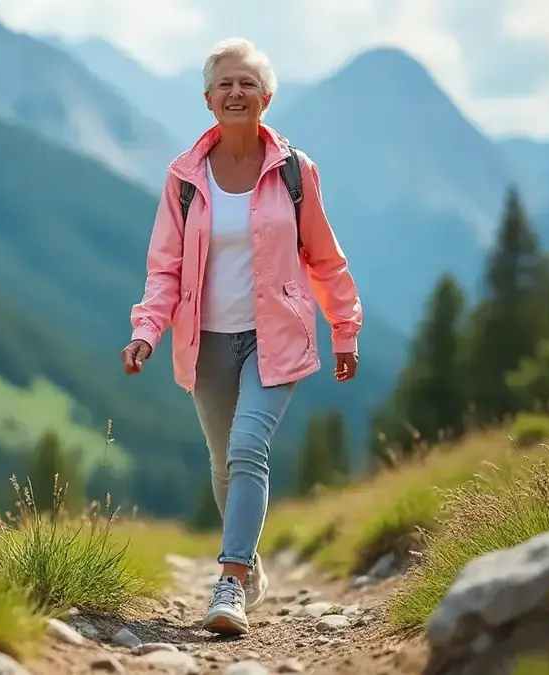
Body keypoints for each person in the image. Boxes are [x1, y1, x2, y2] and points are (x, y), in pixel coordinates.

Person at [120, 38, 363, 636]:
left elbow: (325, 261)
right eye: (225, 84)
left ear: (266, 97)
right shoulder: (184, 178)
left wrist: (345, 329)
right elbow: (165, 269)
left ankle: (228, 581)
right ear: (208, 99)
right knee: (223, 463)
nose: (235, 93)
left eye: (247, 83)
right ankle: (248, 560)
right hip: (205, 342)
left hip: (273, 338)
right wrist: (147, 332)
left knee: (247, 448)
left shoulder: (294, 172)